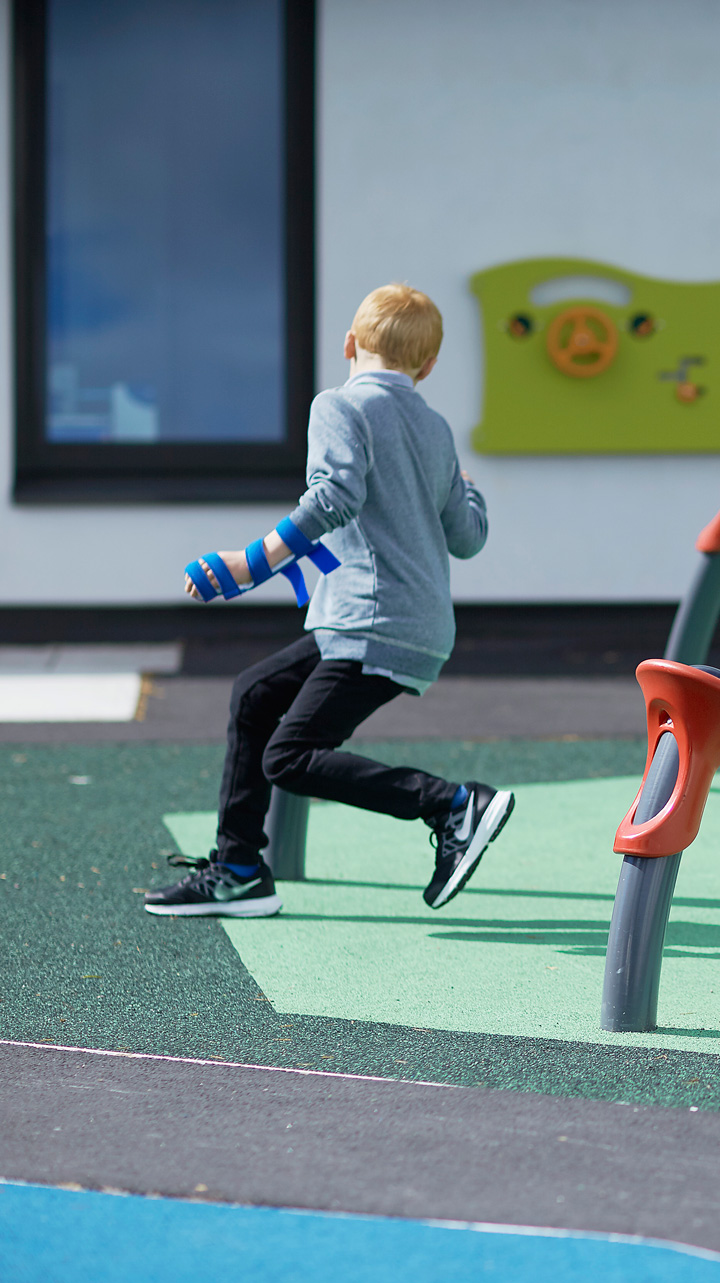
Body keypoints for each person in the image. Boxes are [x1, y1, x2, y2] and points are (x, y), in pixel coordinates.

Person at [145, 284, 515, 919]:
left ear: (349, 344)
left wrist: (249, 562)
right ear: (427, 367)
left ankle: (452, 804)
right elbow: (468, 539)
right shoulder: (434, 428)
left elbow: (333, 497)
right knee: (255, 694)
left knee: (288, 756)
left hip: (372, 621)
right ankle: (238, 869)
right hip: (399, 622)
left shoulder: (339, 406)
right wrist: (471, 493)